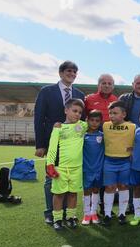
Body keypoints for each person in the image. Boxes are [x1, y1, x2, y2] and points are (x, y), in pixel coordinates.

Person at [34, 61, 85, 225]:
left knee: (69, 184)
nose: (72, 74)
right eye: (69, 71)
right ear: (61, 73)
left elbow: (81, 122)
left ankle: (67, 214)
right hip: (53, 141)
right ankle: (51, 213)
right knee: (52, 178)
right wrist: (40, 145)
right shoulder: (47, 91)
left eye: (75, 72)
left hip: (71, 146)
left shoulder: (79, 93)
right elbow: (39, 118)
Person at [46, 99, 88, 231]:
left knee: (73, 194)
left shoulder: (83, 125)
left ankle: (71, 217)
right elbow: (52, 147)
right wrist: (50, 165)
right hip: (61, 168)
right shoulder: (58, 127)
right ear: (66, 110)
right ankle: (57, 219)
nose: (77, 114)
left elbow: (94, 122)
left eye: (80, 112)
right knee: (59, 194)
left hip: (77, 168)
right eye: (74, 111)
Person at [102, 101, 136, 226]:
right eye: (110, 113)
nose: (112, 116)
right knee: (109, 187)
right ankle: (107, 214)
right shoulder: (105, 125)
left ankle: (122, 214)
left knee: (123, 186)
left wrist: (132, 150)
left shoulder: (132, 127)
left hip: (125, 161)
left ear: (123, 114)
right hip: (109, 160)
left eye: (115, 113)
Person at [81, 110, 104, 225]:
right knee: (86, 191)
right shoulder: (82, 136)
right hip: (86, 169)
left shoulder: (102, 136)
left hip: (99, 169)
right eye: (92, 120)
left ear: (100, 122)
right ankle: (86, 213)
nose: (94, 123)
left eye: (97, 121)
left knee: (96, 190)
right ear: (87, 120)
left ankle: (94, 213)